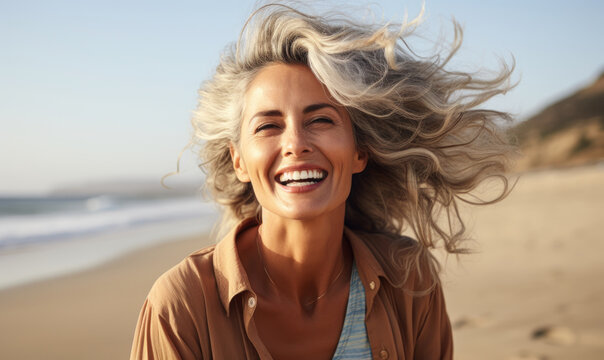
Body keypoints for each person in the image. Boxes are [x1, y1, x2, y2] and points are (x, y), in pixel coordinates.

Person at [131, 3, 514, 359]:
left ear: (359, 150)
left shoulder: (409, 277)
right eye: (268, 126)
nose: (295, 144)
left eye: (321, 120)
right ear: (239, 162)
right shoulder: (179, 306)